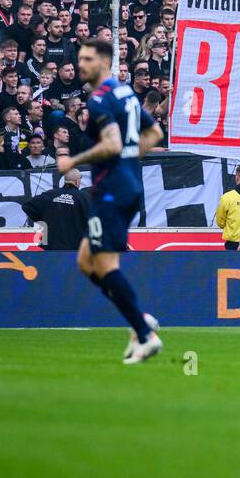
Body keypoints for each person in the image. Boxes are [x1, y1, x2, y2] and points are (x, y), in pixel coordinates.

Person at [54, 39, 165, 364]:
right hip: (128, 184)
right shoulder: (126, 92)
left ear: (104, 62)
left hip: (112, 190)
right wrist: (129, 160)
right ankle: (139, 318)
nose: (80, 65)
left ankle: (145, 335)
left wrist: (73, 161)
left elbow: (113, 144)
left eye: (87, 59)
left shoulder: (100, 99)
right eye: (79, 59)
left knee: (104, 265)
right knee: (86, 260)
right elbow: (155, 134)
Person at [22, 169, 91, 251]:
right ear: (77, 181)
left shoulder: (50, 194)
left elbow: (27, 206)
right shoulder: (84, 197)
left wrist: (44, 220)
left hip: (51, 247)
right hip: (75, 248)